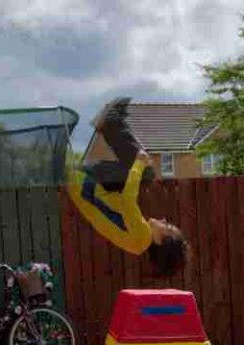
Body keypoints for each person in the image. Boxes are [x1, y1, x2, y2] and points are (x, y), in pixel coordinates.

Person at [68, 97, 189, 275]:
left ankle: (111, 122)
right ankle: (113, 123)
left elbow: (127, 201)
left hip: (86, 182)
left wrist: (139, 163)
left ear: (162, 240)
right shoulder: (138, 242)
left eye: (168, 226)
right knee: (145, 175)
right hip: (88, 186)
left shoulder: (142, 236)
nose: (163, 219)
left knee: (145, 172)